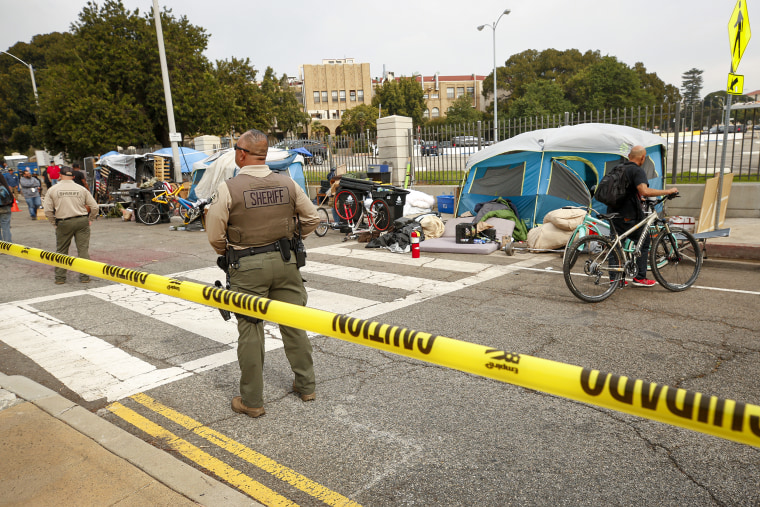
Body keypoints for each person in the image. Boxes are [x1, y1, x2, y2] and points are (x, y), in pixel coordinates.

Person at [206, 129, 320, 418]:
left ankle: (252, 401)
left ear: (242, 153)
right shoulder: (287, 183)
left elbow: (215, 235)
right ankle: (306, 385)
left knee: (251, 329)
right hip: (286, 262)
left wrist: (230, 251)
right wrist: (295, 240)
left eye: (235, 149)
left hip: (247, 265)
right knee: (294, 323)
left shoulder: (228, 188)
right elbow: (312, 219)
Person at [608, 145, 678, 287]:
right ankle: (640, 277)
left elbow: (626, 190)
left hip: (613, 211)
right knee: (644, 241)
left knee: (615, 245)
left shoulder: (618, 168)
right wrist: (668, 191)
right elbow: (644, 190)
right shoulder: (637, 170)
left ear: (629, 156)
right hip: (629, 214)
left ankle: (615, 279)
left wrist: (638, 197)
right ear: (643, 158)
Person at [43, 166, 99, 284]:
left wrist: (54, 223)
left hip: (63, 221)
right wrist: (90, 219)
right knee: (83, 250)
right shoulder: (81, 189)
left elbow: (47, 210)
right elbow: (94, 207)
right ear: (73, 176)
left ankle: (60, 278)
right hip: (82, 220)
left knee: (62, 250)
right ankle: (84, 277)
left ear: (60, 175)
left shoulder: (53, 189)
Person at [0, 172, 12, 241]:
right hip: (5, 207)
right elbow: (9, 194)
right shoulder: (3, 184)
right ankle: (8, 246)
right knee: (6, 227)